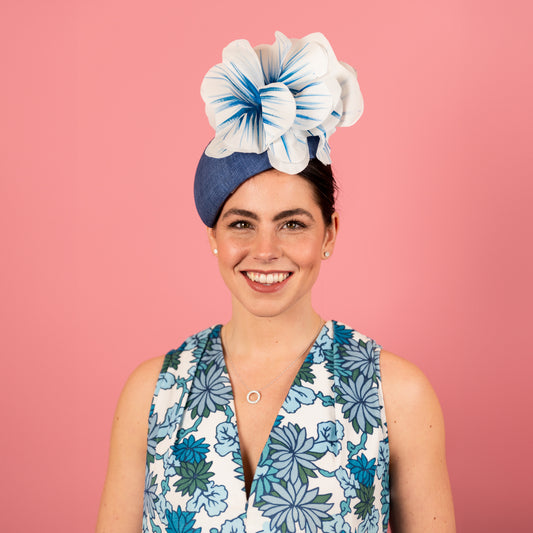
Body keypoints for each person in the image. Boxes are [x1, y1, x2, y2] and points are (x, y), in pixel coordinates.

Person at [96, 32, 455, 533]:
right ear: (214, 237)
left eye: (292, 223)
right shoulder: (153, 394)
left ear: (329, 233)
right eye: (242, 223)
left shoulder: (396, 394)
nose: (266, 251)